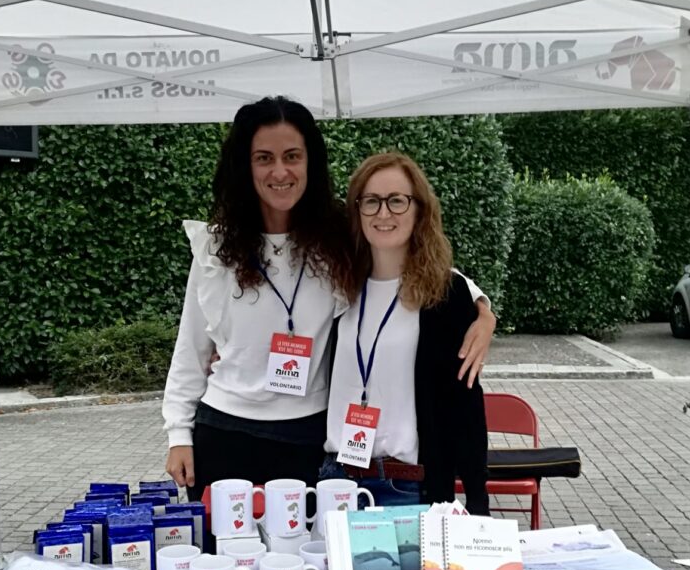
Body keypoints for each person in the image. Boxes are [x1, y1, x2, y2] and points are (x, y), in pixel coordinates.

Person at [163, 97, 493, 503]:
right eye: (264, 158)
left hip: (308, 439)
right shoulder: (216, 247)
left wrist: (480, 306)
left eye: (292, 156)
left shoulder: (334, 241)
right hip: (224, 432)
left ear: (310, 163)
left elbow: (405, 263)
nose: (279, 171)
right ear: (244, 167)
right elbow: (190, 347)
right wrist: (179, 433)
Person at [323, 152, 493, 508]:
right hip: (334, 483)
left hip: (408, 489)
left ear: (419, 210)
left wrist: (478, 503)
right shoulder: (335, 288)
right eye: (371, 201)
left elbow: (466, 409)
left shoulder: (444, 296)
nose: (384, 213)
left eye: (397, 201)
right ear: (356, 211)